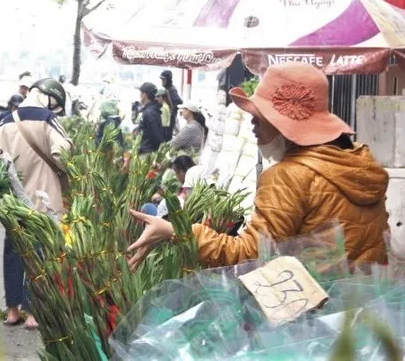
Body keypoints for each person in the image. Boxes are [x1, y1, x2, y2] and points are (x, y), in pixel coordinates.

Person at [128, 62, 389, 270]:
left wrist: (177, 231)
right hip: (364, 305)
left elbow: (251, 255)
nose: (252, 126)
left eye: (259, 118)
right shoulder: (358, 164)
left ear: (285, 125)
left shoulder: (288, 177)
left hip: (315, 315)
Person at [0, 78, 73, 331]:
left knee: (13, 251)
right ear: (49, 98)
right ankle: (33, 312)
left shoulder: (4, 120)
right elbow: (62, 153)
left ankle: (13, 310)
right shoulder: (47, 119)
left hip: (13, 202)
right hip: (43, 201)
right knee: (40, 253)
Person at [137, 82, 164, 154]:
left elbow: (155, 135)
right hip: (147, 150)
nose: (139, 95)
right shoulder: (150, 110)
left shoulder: (149, 113)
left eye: (140, 93)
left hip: (148, 152)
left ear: (144, 95)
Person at [159, 70, 183, 140]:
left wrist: (171, 111)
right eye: (161, 79)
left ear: (168, 80)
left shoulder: (172, 90)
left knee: (167, 138)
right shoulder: (167, 89)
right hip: (167, 118)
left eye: (164, 79)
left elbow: (179, 101)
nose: (162, 81)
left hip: (170, 119)